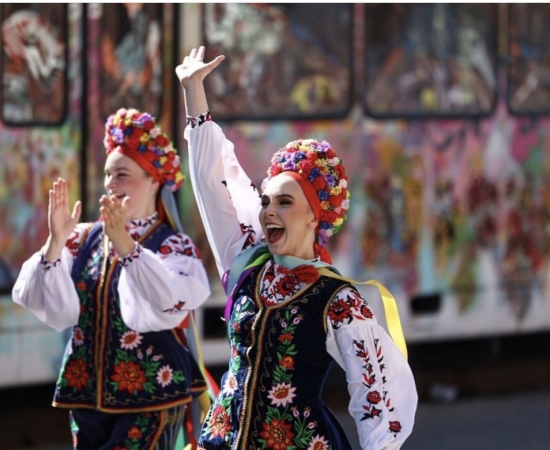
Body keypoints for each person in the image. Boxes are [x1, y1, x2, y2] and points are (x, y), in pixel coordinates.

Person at [176, 46, 417, 450]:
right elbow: (209, 183)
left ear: (314, 217)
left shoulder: (337, 299)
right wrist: (193, 93)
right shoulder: (248, 265)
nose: (268, 211)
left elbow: (377, 392)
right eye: (266, 201)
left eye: (284, 202)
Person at [12, 108, 212, 449]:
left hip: (152, 396)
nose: (110, 183)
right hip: (87, 395)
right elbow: (45, 304)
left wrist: (125, 244)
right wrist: (55, 242)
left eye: (122, 174)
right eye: (108, 174)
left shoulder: (172, 245)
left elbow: (170, 302)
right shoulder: (83, 237)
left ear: (153, 180)